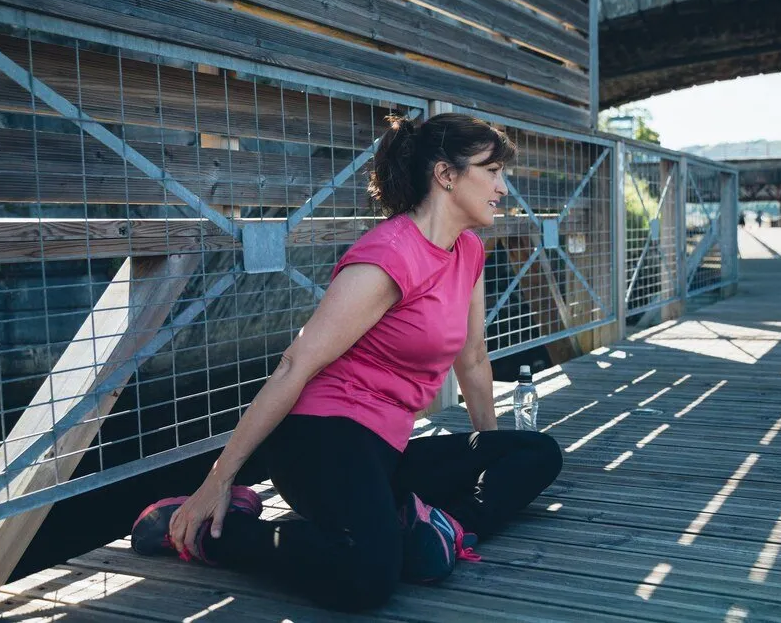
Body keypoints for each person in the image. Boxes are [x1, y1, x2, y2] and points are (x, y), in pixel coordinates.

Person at [130, 113, 564, 611]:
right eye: (492, 171)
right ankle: (216, 534)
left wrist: (486, 450)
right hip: (321, 439)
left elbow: (474, 358)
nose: (502, 187)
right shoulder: (388, 256)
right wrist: (219, 479)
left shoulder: (467, 250)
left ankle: (449, 530)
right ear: (446, 175)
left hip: (388, 449)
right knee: (367, 578)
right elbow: (297, 364)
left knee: (535, 453)